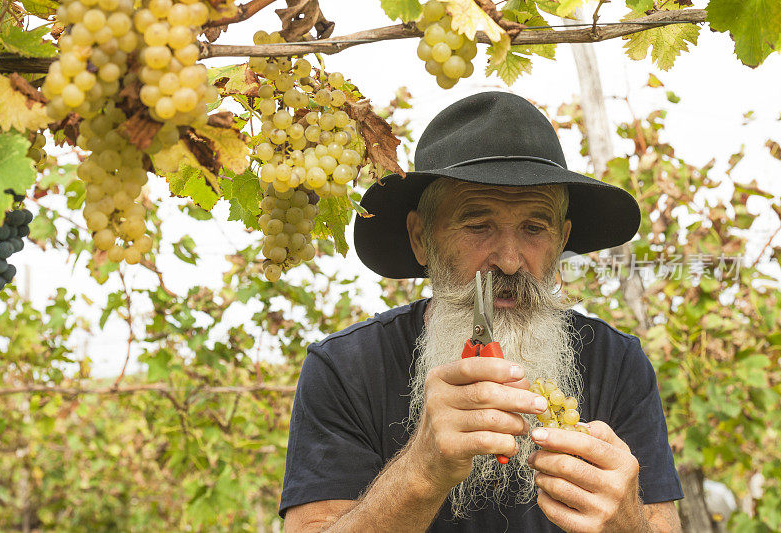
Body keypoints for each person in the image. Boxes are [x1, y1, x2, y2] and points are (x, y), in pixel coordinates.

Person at [279, 91, 684, 532]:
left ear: (562, 240)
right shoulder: (345, 368)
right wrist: (422, 470)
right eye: (477, 225)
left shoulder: (618, 363)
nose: (509, 261)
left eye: (534, 227)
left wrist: (627, 524)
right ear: (420, 238)